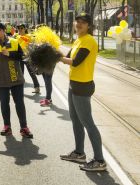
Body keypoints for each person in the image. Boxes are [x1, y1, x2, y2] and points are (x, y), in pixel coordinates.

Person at [59, 13, 106, 172]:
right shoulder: (78, 39)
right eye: (77, 21)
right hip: (73, 83)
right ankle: (79, 153)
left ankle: (99, 160)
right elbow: (67, 57)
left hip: (82, 85)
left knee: (88, 123)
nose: (79, 24)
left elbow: (75, 62)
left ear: (89, 25)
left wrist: (57, 57)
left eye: (83, 22)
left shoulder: (88, 41)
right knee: (75, 119)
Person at [15, 24, 41, 94]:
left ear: (25, 29)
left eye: (21, 28)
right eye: (18, 28)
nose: (20, 29)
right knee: (20, 73)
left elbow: (33, 45)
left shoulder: (29, 36)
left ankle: (37, 87)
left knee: (31, 72)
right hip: (20, 57)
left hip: (27, 57)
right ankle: (20, 89)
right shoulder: (17, 36)